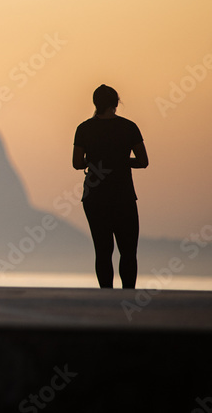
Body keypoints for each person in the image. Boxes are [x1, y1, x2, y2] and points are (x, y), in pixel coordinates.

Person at [72, 85, 148, 288]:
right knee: (128, 251)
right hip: (123, 196)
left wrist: (94, 162)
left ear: (95, 103)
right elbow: (143, 161)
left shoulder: (84, 129)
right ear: (116, 103)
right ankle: (128, 294)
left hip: (95, 197)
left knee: (103, 250)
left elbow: (77, 163)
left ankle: (106, 295)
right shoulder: (129, 127)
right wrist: (120, 162)